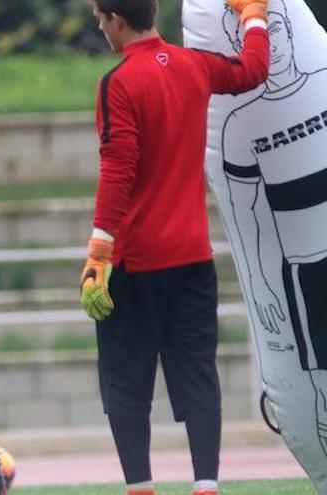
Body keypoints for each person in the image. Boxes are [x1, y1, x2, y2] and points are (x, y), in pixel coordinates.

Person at [78, 0, 270, 494]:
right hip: (192, 257)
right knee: (198, 376)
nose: (102, 30)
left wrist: (99, 254)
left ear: (116, 20)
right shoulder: (193, 65)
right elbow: (253, 69)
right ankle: (206, 485)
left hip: (135, 261)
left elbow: (118, 169)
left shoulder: (117, 84)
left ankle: (141, 487)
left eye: (101, 21)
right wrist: (253, 15)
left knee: (126, 383)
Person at [221, 0, 327, 457]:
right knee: (321, 383)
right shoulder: (241, 124)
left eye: (281, 29)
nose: (276, 43)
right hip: (304, 269)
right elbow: (248, 218)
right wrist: (261, 285)